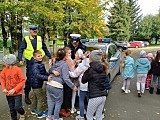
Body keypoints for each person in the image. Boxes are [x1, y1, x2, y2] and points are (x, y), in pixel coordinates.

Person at [18, 25, 52, 105]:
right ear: (30, 30)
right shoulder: (26, 39)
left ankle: (38, 91)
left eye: (36, 30)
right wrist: (20, 59)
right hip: (30, 61)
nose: (35, 32)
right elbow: (21, 49)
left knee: (40, 74)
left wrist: (50, 56)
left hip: (39, 60)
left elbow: (44, 48)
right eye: (33, 30)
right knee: (30, 78)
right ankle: (27, 94)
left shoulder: (39, 38)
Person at [46, 48, 78, 120]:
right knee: (58, 102)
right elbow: (66, 78)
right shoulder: (64, 65)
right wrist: (73, 87)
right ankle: (56, 118)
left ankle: (49, 116)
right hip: (57, 85)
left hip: (49, 84)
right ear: (65, 56)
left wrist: (53, 71)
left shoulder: (55, 62)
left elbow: (49, 70)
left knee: (51, 101)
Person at [82, 50, 108, 120]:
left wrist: (86, 71)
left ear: (91, 59)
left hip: (94, 96)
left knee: (89, 116)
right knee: (99, 115)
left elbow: (83, 80)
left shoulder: (90, 70)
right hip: (103, 95)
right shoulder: (103, 68)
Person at [0, 54, 25, 120]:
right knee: (11, 108)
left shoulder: (18, 70)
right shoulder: (4, 70)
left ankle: (22, 113)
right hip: (8, 93)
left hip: (17, 93)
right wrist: (4, 88)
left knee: (17, 107)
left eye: (5, 62)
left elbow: (22, 81)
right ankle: (13, 118)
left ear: (9, 63)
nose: (4, 63)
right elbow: (2, 79)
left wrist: (14, 89)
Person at [30, 50, 52, 118]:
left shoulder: (39, 63)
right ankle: (40, 113)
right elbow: (37, 75)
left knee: (35, 97)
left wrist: (50, 75)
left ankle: (33, 109)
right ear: (34, 57)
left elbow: (44, 72)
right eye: (38, 56)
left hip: (36, 83)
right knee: (40, 98)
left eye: (41, 55)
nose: (40, 57)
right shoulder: (35, 65)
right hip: (36, 84)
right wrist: (46, 78)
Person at [69, 50, 90, 120]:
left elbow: (75, 74)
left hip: (83, 85)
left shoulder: (82, 65)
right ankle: (89, 114)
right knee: (89, 100)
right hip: (91, 85)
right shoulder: (93, 64)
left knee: (81, 100)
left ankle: (81, 115)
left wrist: (67, 72)